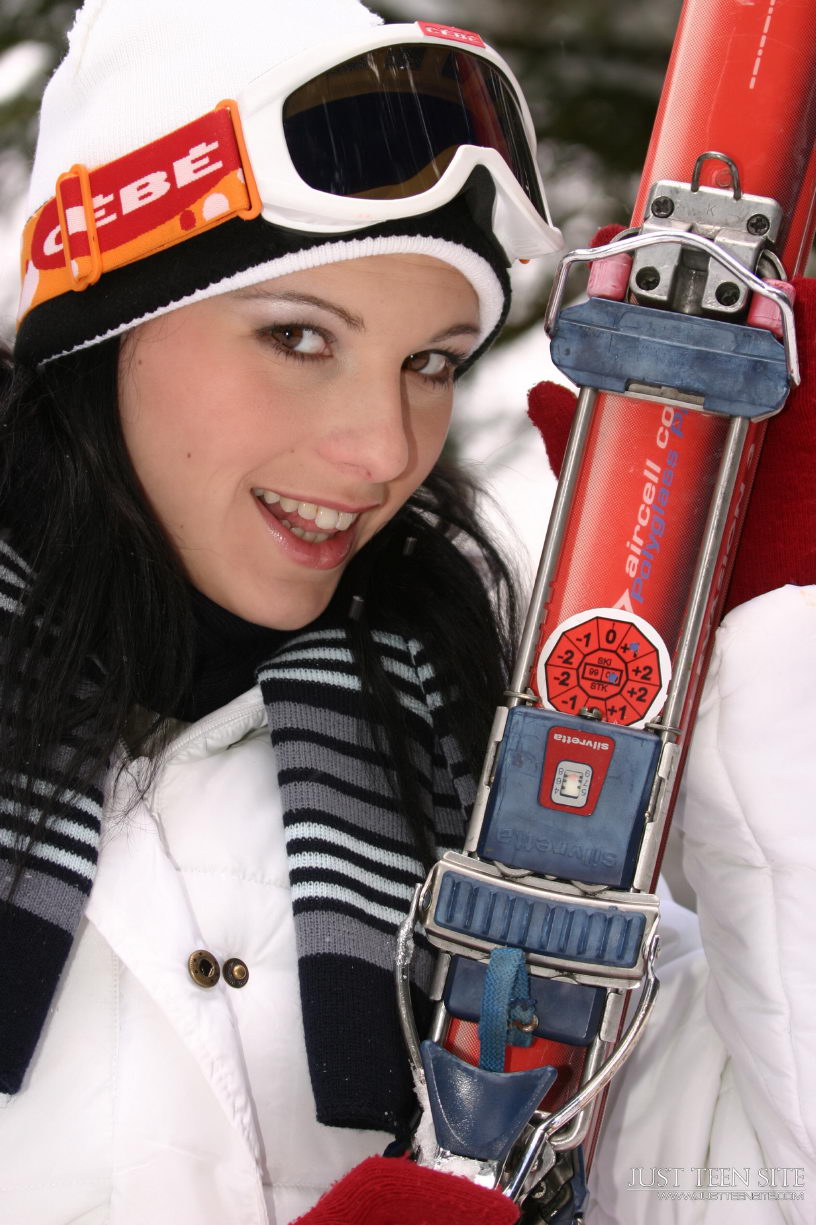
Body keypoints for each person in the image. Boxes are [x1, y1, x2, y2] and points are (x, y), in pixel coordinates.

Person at [1, 5, 815, 1225]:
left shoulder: (503, 807)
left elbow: (763, 1179)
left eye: (431, 362)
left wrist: (774, 627)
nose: (384, 448)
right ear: (95, 334)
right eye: (297, 337)